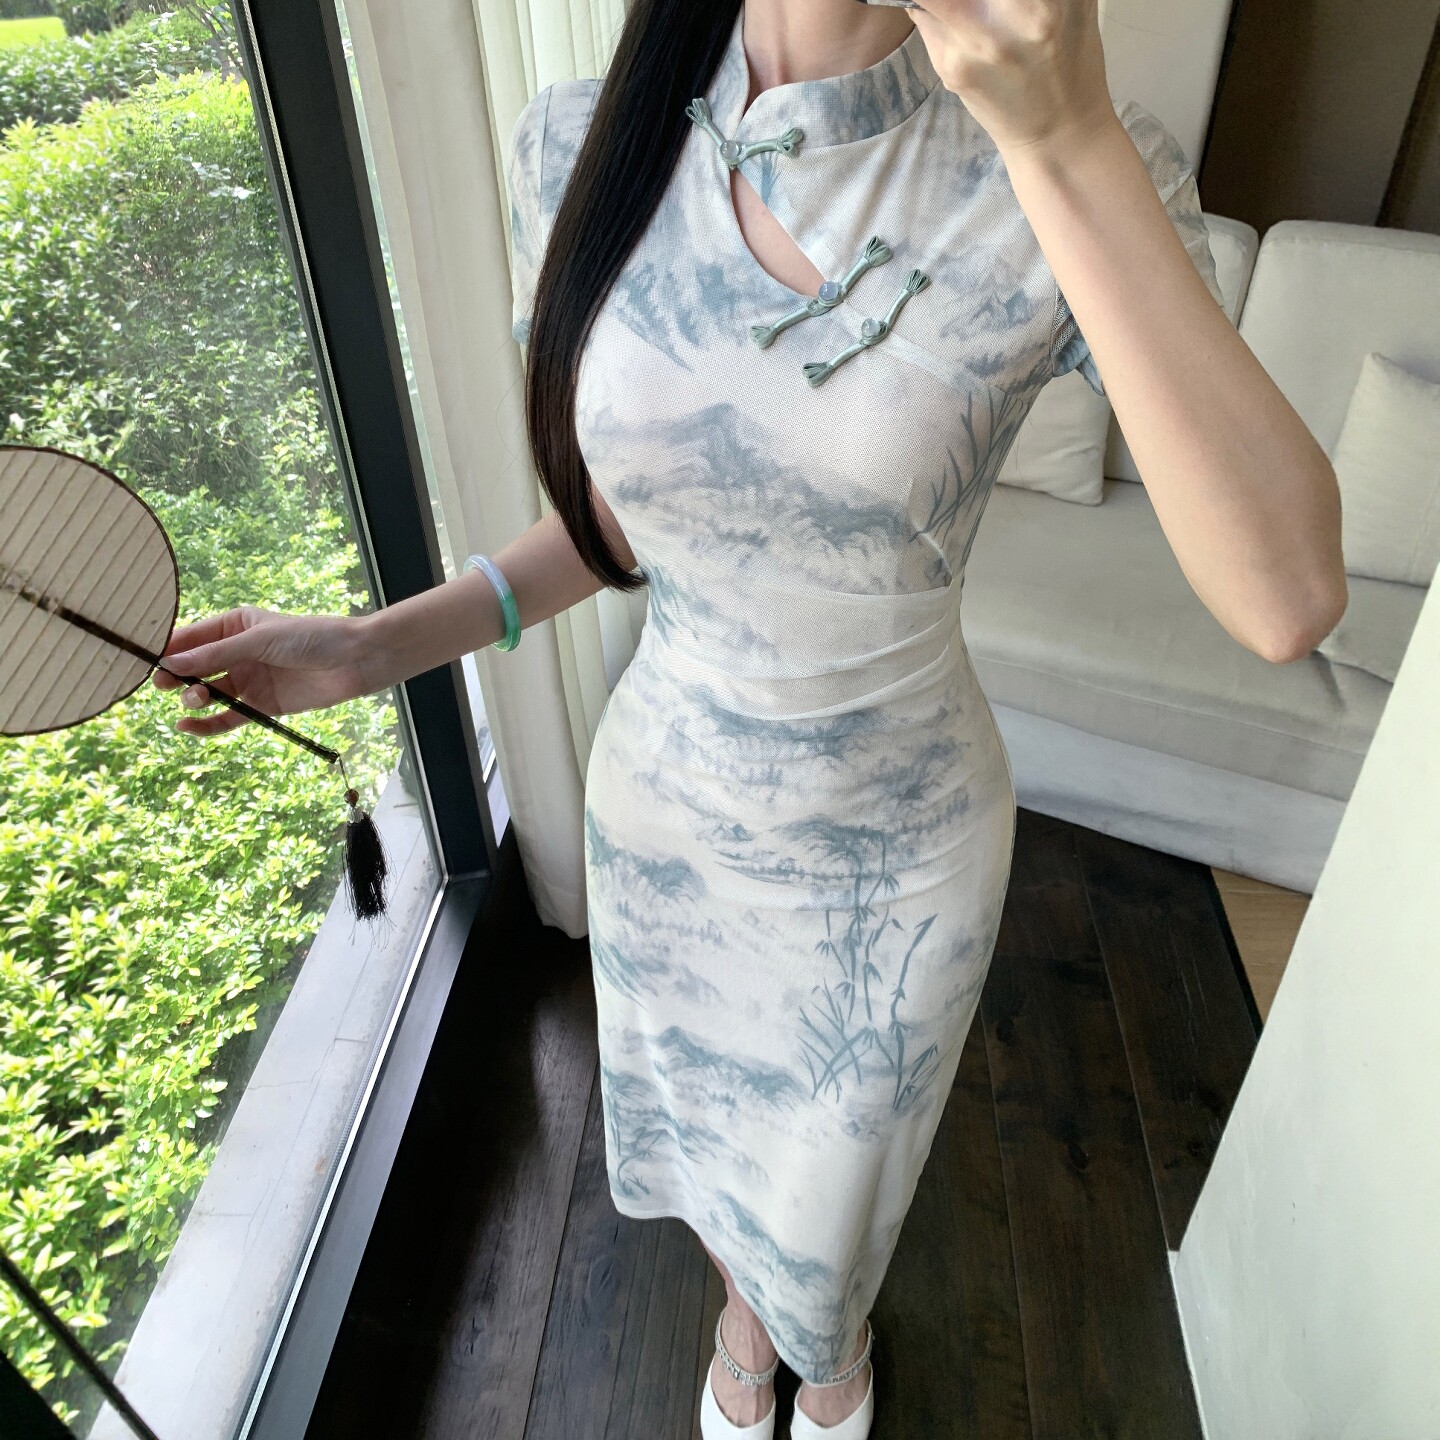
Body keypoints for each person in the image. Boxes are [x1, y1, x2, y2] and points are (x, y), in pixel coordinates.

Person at [155, 1, 1346, 1435]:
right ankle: (743, 1318)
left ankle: (827, 1353)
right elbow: (625, 525)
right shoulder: (576, 145)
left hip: (894, 861)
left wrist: (1070, 133)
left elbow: (1287, 594)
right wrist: (371, 647)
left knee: (835, 1191)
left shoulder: (1067, 161)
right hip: (667, 814)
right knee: (717, 1157)